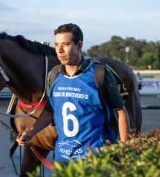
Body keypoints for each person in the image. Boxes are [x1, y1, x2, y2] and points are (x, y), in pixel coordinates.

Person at [17, 23, 129, 163]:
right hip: (63, 160)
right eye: (56, 45)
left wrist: (124, 150)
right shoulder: (53, 74)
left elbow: (120, 111)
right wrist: (30, 133)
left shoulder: (99, 73)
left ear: (79, 45)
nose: (60, 50)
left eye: (65, 44)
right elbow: (49, 111)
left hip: (96, 159)